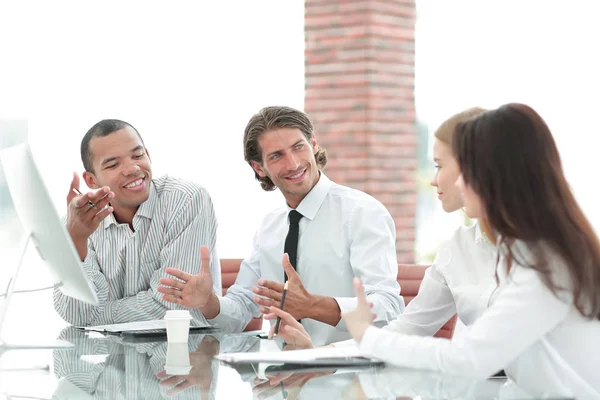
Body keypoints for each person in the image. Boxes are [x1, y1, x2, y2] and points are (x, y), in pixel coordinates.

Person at [342, 103, 600, 397]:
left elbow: (470, 358)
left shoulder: (549, 263)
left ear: (497, 175)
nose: (459, 183)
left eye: (467, 171)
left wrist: (367, 335)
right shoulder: (519, 251)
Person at [158, 106, 404, 346]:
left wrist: (312, 306)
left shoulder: (362, 213)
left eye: (299, 147)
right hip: (280, 374)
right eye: (277, 156)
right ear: (259, 168)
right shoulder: (270, 226)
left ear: (314, 145)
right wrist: (208, 302)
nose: (294, 163)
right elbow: (243, 305)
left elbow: (388, 306)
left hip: (347, 375)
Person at [263, 107, 494, 346]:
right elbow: (404, 331)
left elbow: (477, 354)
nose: (433, 180)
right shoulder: (456, 251)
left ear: (473, 168)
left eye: (439, 165)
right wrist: (317, 355)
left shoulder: (532, 252)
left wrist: (314, 312)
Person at [53, 119, 221, 327]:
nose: (132, 168)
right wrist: (77, 241)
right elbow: (74, 312)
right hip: (111, 356)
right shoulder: (76, 225)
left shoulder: (185, 200)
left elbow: (172, 307)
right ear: (91, 181)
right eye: (113, 164)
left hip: (183, 350)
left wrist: (96, 315)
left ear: (148, 155)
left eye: (138, 155)